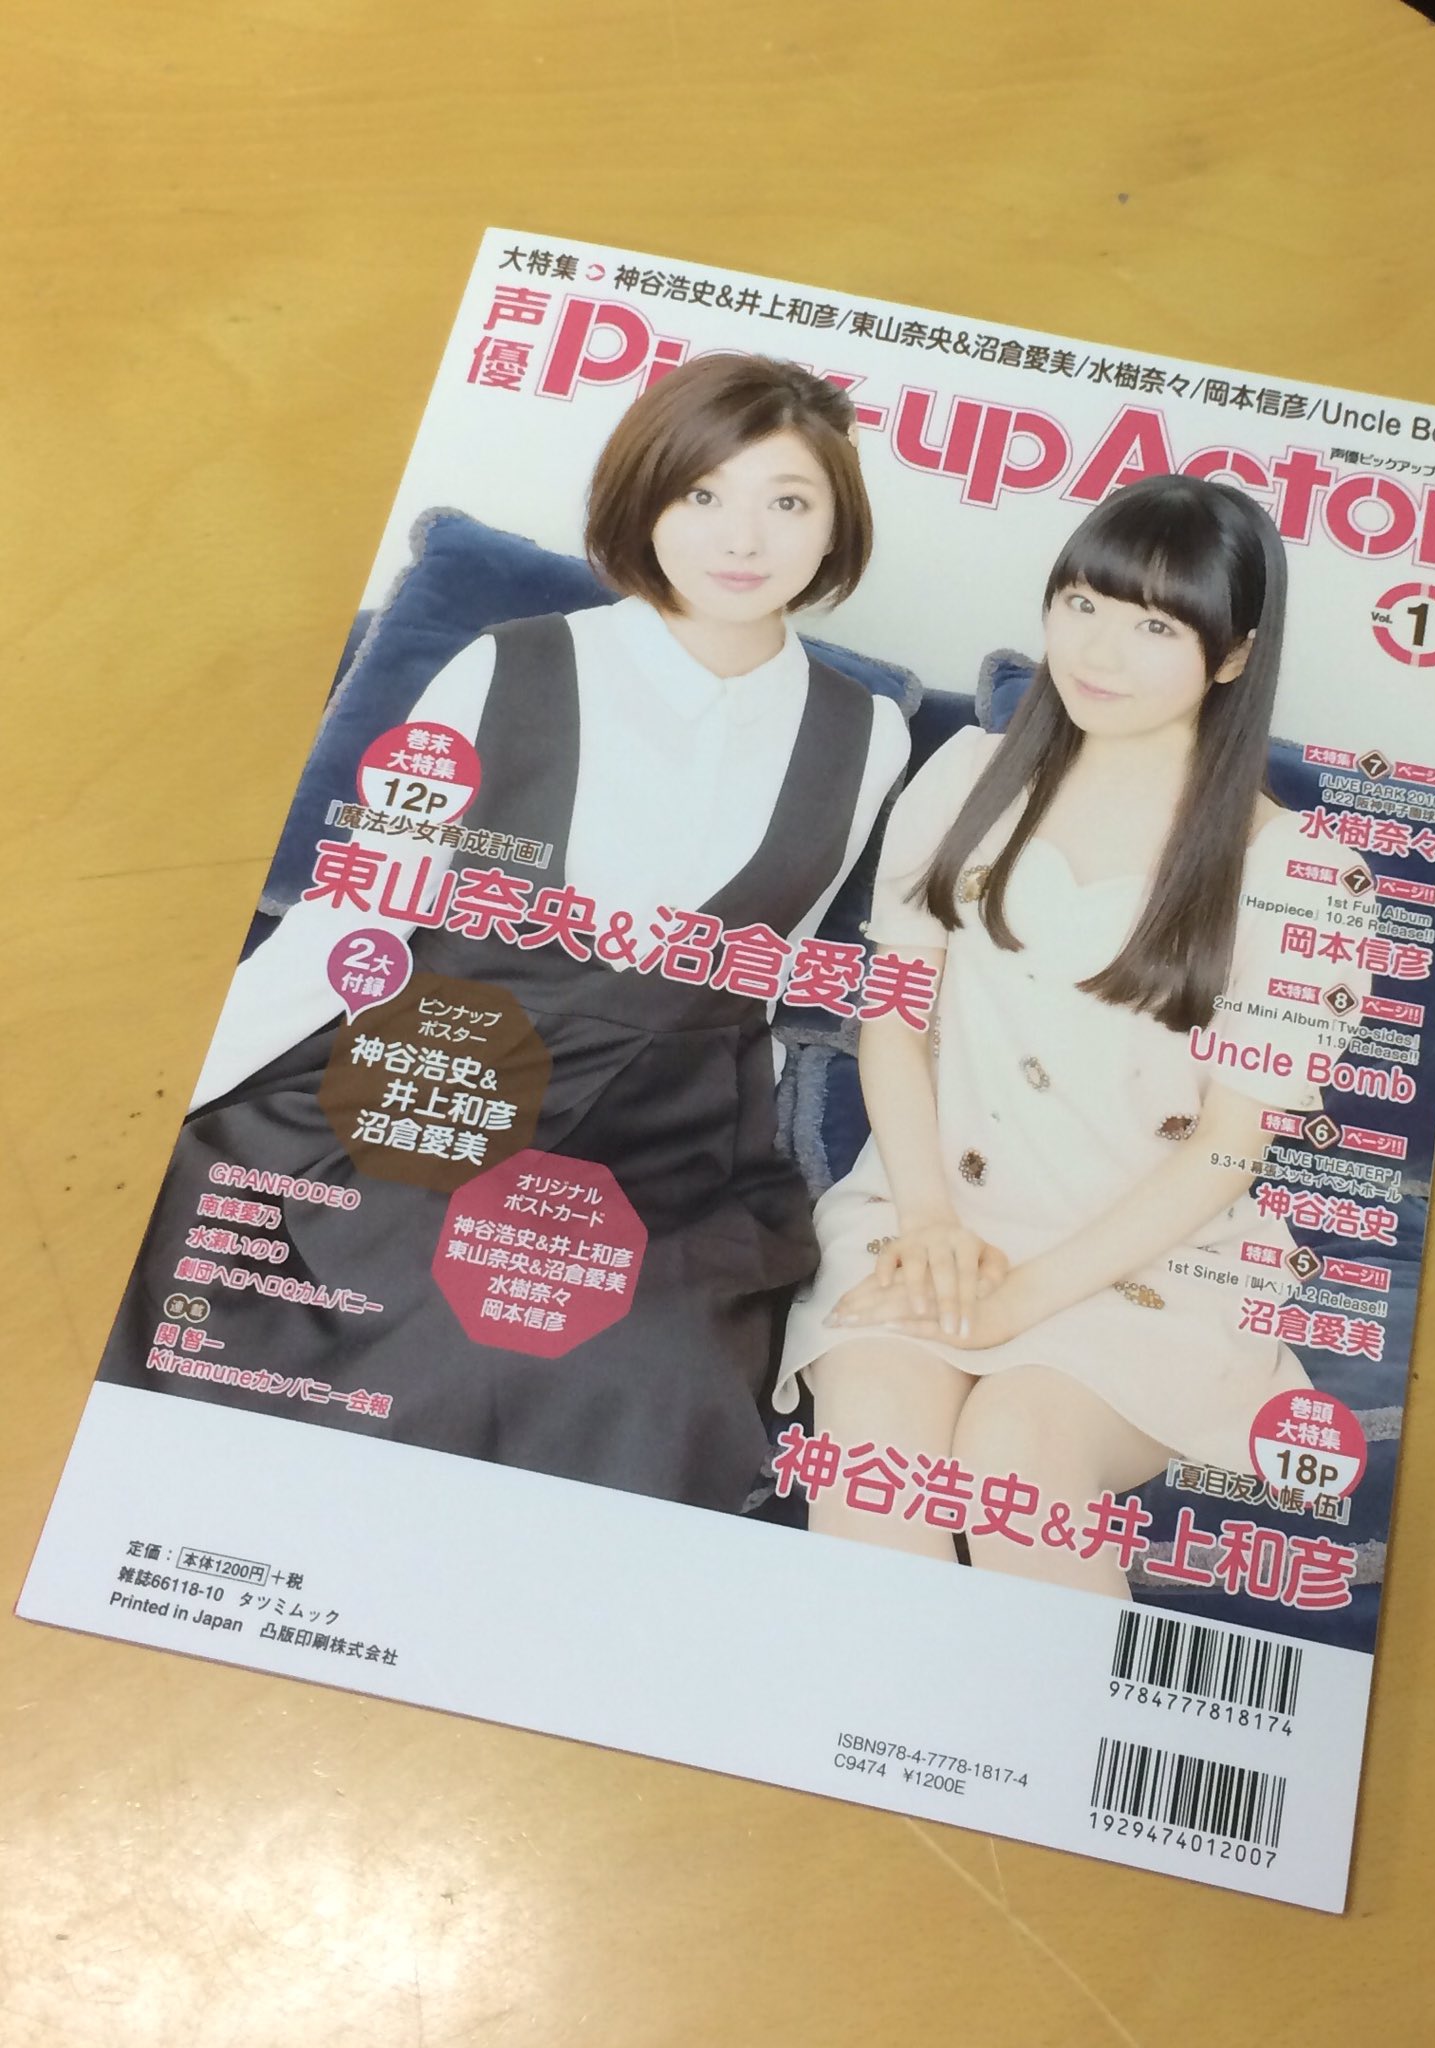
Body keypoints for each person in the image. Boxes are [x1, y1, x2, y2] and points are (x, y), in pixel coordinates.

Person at [100, 353, 911, 1513]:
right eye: (703, 493)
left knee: (647, 1358)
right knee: (420, 1293)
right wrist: (151, 1103)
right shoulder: (510, 666)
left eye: (788, 500)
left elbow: (767, 978)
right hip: (439, 1078)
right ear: (647, 496)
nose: (743, 537)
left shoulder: (868, 735)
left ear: (835, 523)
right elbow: (351, 918)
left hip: (666, 1135)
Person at [776, 474, 1368, 1595]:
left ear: (1233, 657)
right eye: (1083, 603)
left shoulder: (1305, 877)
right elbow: (891, 1022)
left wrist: (1022, 1298)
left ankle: (1062, 1718)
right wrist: (930, 1223)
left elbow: (1228, 1149)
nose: (1099, 650)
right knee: (879, 1453)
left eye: (1155, 626)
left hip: (1145, 1261)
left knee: (1017, 1451)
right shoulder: (967, 776)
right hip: (927, 1213)